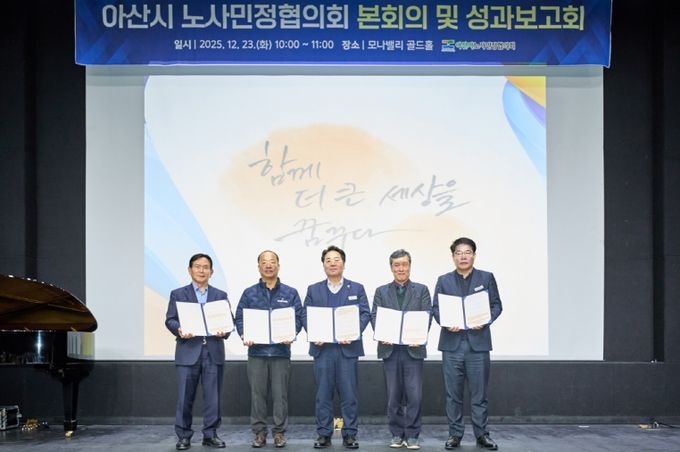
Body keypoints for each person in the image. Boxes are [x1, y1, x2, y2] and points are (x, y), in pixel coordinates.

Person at [433, 238, 503, 450]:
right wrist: (446, 322)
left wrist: (485, 320)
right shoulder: (444, 280)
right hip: (452, 345)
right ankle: (455, 435)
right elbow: (436, 308)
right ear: (453, 256)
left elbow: (496, 305)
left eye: (467, 252)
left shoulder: (486, 277)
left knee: (479, 395)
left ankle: (482, 435)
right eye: (458, 253)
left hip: (478, 346)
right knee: (452, 395)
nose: (463, 256)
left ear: (474, 255)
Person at [303, 245, 371, 449]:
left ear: (343, 263)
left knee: (349, 395)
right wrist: (314, 333)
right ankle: (324, 434)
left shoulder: (356, 288)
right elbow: (305, 315)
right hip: (323, 350)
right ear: (323, 265)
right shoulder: (313, 289)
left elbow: (365, 313)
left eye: (336, 259)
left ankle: (349, 434)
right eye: (328, 260)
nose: (332, 263)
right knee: (323, 395)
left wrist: (353, 332)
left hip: (347, 350)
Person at [234, 250, 303, 448]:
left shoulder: (290, 293)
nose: (268, 265)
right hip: (257, 353)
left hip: (281, 353)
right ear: (259, 267)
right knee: (258, 396)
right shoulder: (249, 293)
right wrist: (243, 334)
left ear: (278, 266)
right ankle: (260, 433)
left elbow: (298, 317)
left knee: (280, 396)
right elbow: (240, 317)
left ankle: (279, 432)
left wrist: (292, 332)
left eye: (272, 261)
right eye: (264, 262)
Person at [165, 253, 233, 450]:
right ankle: (183, 436)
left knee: (213, 398)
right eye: (197, 266)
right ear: (190, 270)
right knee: (184, 397)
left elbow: (228, 321)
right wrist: (179, 329)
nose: (201, 270)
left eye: (205, 267)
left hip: (213, 351)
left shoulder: (220, 295)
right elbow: (170, 319)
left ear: (211, 272)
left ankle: (210, 435)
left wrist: (224, 330)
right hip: (188, 351)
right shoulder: (178, 294)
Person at [371, 249, 432, 450]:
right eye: (396, 265)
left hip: (413, 350)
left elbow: (427, 315)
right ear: (391, 268)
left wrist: (419, 336)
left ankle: (413, 435)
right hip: (390, 350)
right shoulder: (381, 291)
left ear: (410, 266)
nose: (401, 269)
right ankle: (397, 434)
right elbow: (374, 316)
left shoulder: (421, 290)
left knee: (415, 396)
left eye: (404, 264)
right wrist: (381, 333)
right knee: (393, 396)